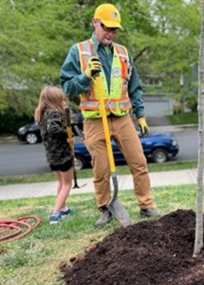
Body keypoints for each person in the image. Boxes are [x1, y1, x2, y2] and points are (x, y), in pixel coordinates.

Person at [60, 3, 161, 227]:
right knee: (102, 169)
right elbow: (67, 87)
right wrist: (85, 77)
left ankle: (146, 205)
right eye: (107, 27)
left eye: (114, 29)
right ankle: (105, 208)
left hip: (122, 118)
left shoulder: (124, 53)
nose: (111, 33)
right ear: (95, 23)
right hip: (95, 120)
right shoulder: (79, 51)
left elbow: (134, 87)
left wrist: (140, 115)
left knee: (139, 162)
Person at [34, 86, 75, 224]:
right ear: (55, 100)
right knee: (67, 184)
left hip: (51, 155)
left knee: (61, 182)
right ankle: (55, 213)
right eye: (62, 99)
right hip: (62, 154)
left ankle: (64, 209)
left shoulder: (43, 113)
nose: (64, 101)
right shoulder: (54, 113)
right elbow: (54, 129)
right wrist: (68, 135)